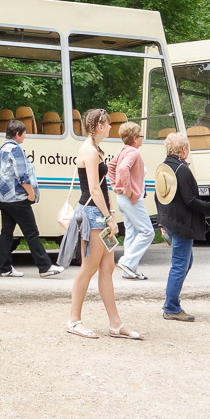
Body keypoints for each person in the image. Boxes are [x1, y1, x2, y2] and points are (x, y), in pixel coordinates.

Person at [65, 108, 144, 340]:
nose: (111, 128)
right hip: (92, 216)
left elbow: (102, 186)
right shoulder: (89, 151)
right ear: (100, 125)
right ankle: (73, 320)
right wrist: (109, 216)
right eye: (109, 124)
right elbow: (94, 189)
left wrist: (110, 213)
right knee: (89, 268)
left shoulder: (96, 150)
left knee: (107, 267)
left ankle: (115, 324)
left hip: (99, 215)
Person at [155, 131, 210, 322]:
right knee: (179, 266)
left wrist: (162, 220)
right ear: (183, 149)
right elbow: (191, 201)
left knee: (186, 262)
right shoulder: (182, 170)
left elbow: (159, 197)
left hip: (170, 222)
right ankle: (171, 307)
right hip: (182, 224)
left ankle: (172, 299)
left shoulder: (163, 168)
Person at [0, 119, 63, 278]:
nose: (25, 137)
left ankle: (5, 268)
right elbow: (22, 175)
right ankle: (44, 267)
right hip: (17, 199)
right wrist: (31, 193)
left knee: (6, 234)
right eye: (24, 134)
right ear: (17, 134)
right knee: (31, 233)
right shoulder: (16, 150)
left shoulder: (2, 149)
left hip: (2, 198)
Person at [109, 121, 153, 281]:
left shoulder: (123, 150)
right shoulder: (134, 152)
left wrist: (115, 185)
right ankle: (127, 263)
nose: (142, 138)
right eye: (141, 136)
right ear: (135, 138)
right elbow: (122, 168)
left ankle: (129, 270)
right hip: (130, 199)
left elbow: (111, 165)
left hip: (122, 199)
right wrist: (127, 188)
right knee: (148, 232)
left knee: (132, 233)